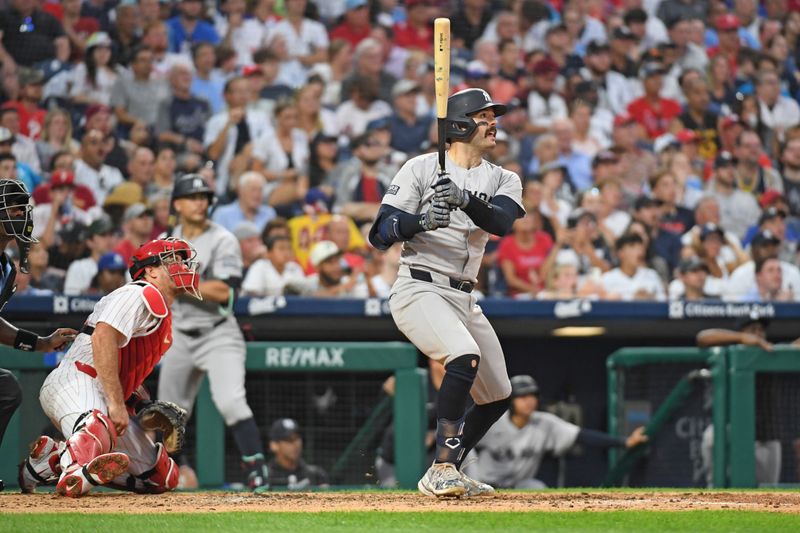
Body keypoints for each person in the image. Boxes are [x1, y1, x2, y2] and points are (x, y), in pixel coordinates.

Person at [368, 88, 525, 498]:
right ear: (458, 125)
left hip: (464, 296)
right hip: (419, 287)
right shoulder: (420, 168)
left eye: (494, 116)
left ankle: (449, 467)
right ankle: (440, 468)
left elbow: (502, 221)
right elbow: (380, 232)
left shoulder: (504, 177)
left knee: (497, 396)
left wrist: (464, 199)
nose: (493, 123)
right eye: (483, 116)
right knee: (463, 356)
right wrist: (419, 221)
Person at [18, 238, 201, 497]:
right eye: (173, 260)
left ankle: (50, 463)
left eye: (183, 260)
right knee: (97, 428)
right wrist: (116, 404)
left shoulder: (161, 315)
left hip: (103, 392)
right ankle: (73, 475)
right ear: (151, 270)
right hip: (77, 380)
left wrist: (141, 405)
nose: (182, 266)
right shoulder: (139, 293)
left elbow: (122, 369)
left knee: (160, 478)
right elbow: (103, 337)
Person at [157, 174, 269, 489]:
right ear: (177, 204)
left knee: (231, 400)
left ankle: (257, 469)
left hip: (218, 332)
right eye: (192, 197)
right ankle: (168, 472)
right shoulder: (165, 242)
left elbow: (224, 292)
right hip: (178, 332)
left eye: (204, 197)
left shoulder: (223, 239)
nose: (199, 202)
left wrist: (178, 281)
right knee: (168, 413)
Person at [0, 180, 77, 492]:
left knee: (6, 388)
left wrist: (41, 343)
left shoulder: (6, 268)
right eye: (13, 208)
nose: (21, 215)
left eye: (23, 208)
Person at [469, 375, 647, 489]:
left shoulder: (544, 422)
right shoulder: (493, 422)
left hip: (519, 484)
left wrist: (624, 442)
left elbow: (581, 435)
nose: (529, 401)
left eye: (532, 396)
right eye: (523, 397)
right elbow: (461, 440)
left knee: (538, 488)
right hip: (484, 483)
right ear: (512, 401)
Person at [601, 233, 666, 301]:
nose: (640, 252)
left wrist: (650, 299)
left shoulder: (652, 275)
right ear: (620, 253)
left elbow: (663, 302)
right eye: (633, 247)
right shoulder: (607, 279)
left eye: (641, 247)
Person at [266, 418, 328, 490]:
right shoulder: (265, 477)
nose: (295, 444)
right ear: (274, 445)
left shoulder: (316, 475)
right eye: (289, 440)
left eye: (297, 438)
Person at [64, 216, 116, 295]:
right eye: (103, 235)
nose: (108, 239)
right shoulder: (78, 267)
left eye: (111, 235)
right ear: (90, 242)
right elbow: (70, 300)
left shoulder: (121, 266)